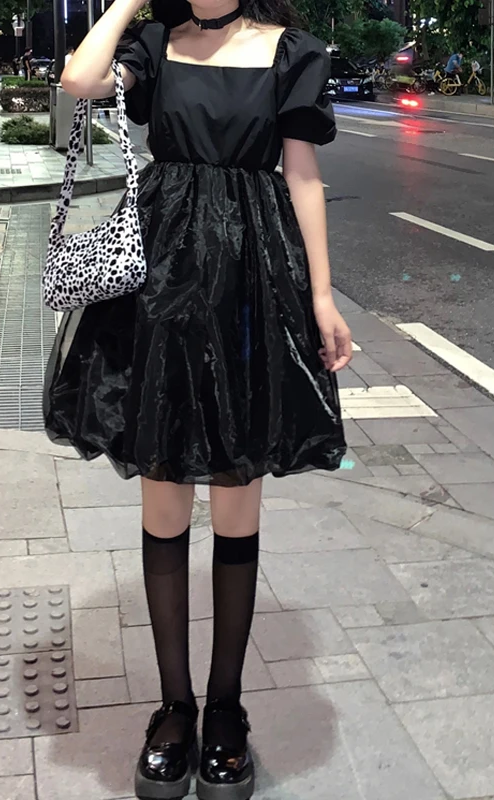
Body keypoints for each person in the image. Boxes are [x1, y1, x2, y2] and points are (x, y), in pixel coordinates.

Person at [50, 0, 351, 797]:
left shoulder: (291, 52)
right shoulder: (154, 44)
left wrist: (322, 296)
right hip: (162, 283)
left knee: (237, 500)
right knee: (163, 497)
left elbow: (303, 176)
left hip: (252, 282)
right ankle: (174, 708)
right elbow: (79, 80)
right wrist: (124, 4)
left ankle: (226, 709)